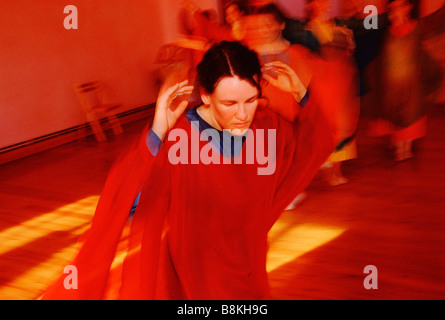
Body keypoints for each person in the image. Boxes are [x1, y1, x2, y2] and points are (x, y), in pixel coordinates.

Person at [41, 41, 336, 300]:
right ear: (206, 96)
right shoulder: (181, 137)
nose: (243, 113)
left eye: (250, 99)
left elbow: (314, 146)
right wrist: (157, 131)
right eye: (230, 103)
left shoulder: (268, 127)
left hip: (249, 259)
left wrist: (302, 93)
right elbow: (129, 197)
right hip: (196, 265)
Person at [364, 0, 443, 161]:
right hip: (391, 84)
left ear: (408, 8)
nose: (396, 11)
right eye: (393, 8)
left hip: (411, 84)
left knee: (411, 115)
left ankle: (406, 148)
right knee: (395, 114)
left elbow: (436, 21)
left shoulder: (417, 27)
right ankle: (399, 147)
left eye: (400, 6)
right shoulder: (385, 31)